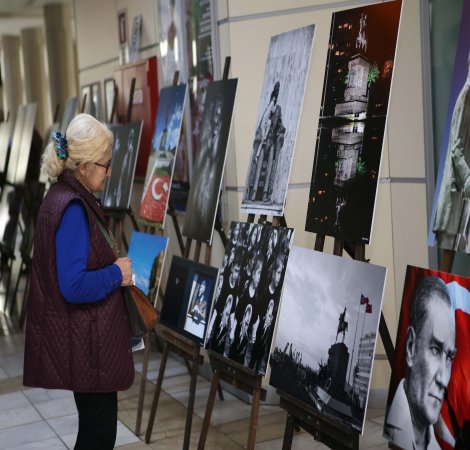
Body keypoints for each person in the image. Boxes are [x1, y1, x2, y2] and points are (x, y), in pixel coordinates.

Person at [23, 113, 135, 450]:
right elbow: (72, 286)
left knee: (95, 429)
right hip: (88, 346)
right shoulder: (72, 207)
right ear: (84, 167)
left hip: (83, 342)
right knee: (98, 434)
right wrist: (117, 273)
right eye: (105, 164)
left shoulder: (60, 197)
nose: (110, 171)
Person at [384, 276, 456, 450]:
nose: (443, 379)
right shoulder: (391, 426)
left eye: (449, 358)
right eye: (435, 350)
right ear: (410, 347)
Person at [433, 52, 470, 251]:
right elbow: (457, 147)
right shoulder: (468, 93)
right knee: (444, 256)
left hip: (461, 202)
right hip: (454, 198)